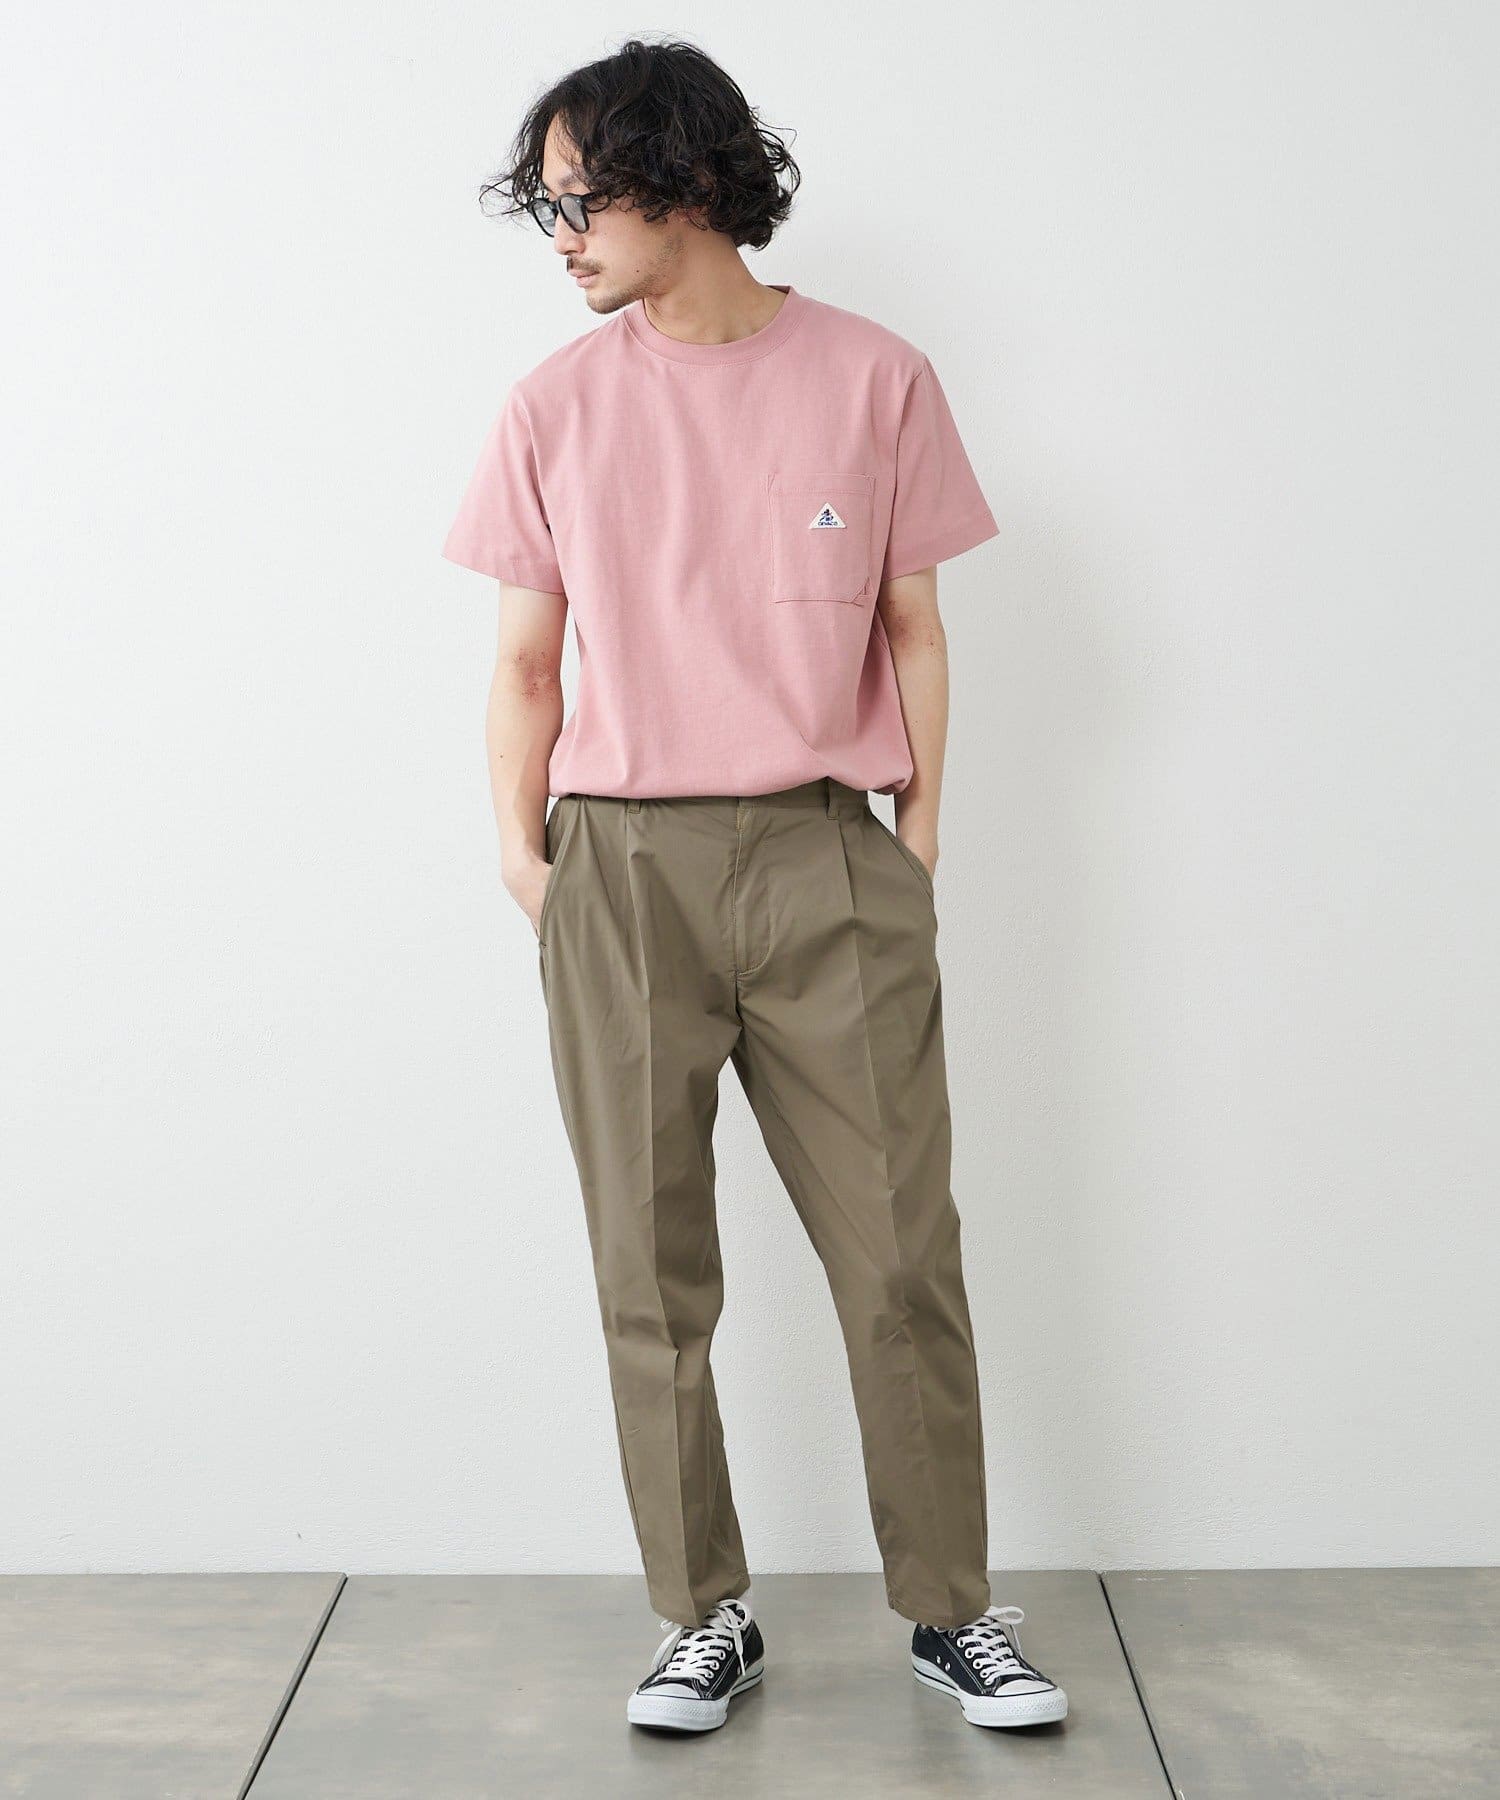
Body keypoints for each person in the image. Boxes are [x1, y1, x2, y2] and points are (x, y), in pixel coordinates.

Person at [442, 35, 1067, 1735]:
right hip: (620, 868)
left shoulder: (875, 377)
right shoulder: (552, 409)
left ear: (688, 180)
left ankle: (951, 1613)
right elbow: (524, 666)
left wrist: (911, 850)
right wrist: (526, 859)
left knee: (902, 1257)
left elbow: (916, 628)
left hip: (823, 856)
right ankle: (699, 1614)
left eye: (581, 199)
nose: (560, 236)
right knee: (649, 1272)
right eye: (543, 205)